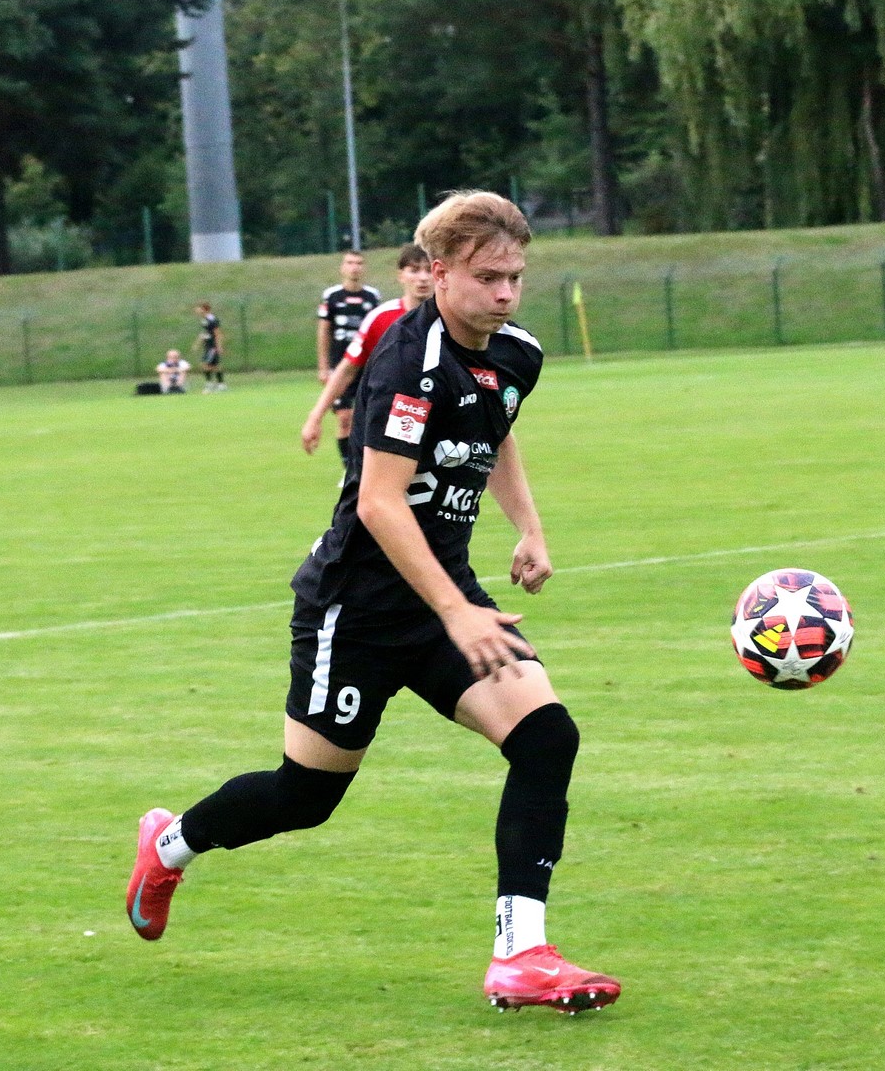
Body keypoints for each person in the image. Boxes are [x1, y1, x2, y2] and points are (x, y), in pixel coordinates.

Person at [127, 191, 621, 1015]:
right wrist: (457, 612)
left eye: (515, 277)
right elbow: (379, 502)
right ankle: (170, 844)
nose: (505, 293)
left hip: (444, 601)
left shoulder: (516, 354)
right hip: (352, 611)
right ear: (437, 272)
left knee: (546, 738)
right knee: (304, 797)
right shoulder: (406, 362)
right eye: (488, 278)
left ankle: (519, 954)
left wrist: (528, 527)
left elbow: (494, 428)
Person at [301, 243, 434, 455]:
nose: (423, 278)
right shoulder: (381, 318)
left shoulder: (455, 319)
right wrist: (315, 417)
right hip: (396, 423)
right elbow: (346, 370)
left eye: (429, 270)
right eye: (415, 270)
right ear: (401, 275)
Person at [315, 250, 381, 465]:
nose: (354, 267)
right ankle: (348, 467)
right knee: (344, 418)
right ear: (342, 268)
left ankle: (362, 464)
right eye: (350, 263)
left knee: (367, 420)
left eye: (359, 263)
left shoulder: (372, 297)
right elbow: (324, 331)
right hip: (341, 367)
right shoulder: (332, 296)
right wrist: (324, 367)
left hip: (367, 368)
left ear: (364, 268)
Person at [193, 302, 226, 392]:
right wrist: (198, 343)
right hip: (208, 345)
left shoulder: (212, 320)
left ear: (204, 309)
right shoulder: (204, 320)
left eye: (199, 308)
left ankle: (209, 384)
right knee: (215, 365)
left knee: (205, 364)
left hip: (212, 346)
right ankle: (221, 384)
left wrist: (219, 346)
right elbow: (205, 333)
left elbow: (218, 334)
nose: (196, 310)